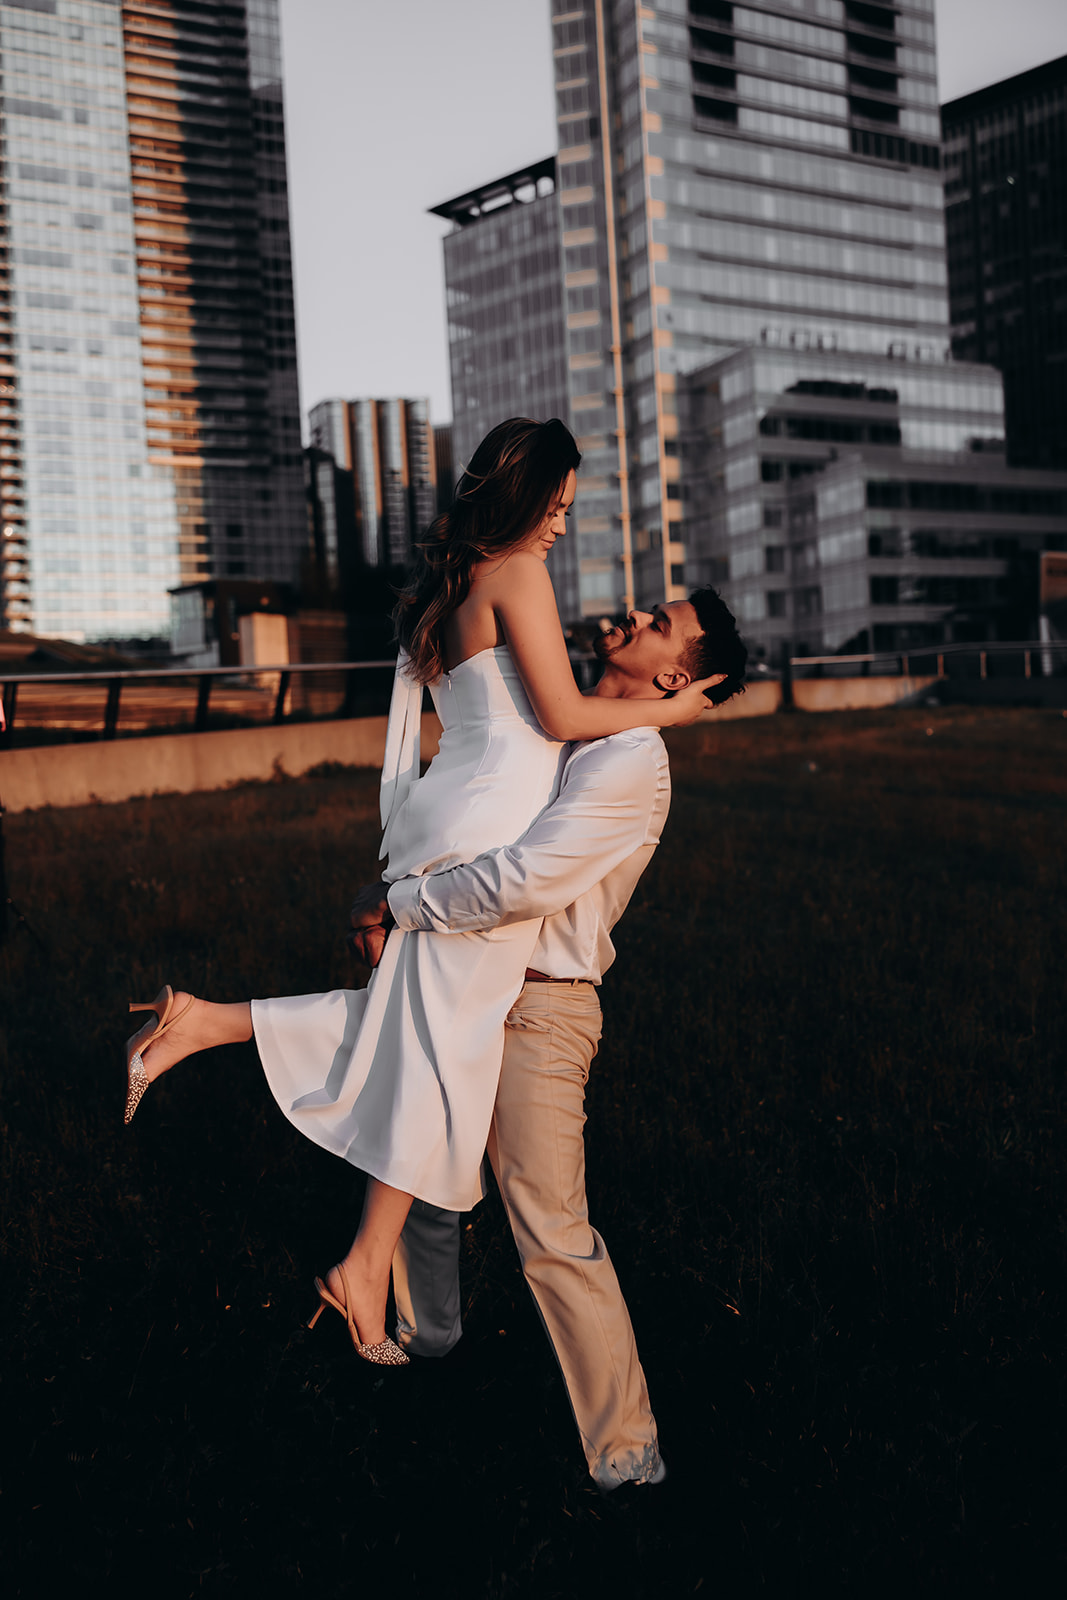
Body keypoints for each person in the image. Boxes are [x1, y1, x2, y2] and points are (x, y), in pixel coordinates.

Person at [123, 418, 718, 1368]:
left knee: (414, 1036)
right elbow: (560, 716)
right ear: (524, 493)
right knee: (439, 1057)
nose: (562, 524)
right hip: (480, 839)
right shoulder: (517, 573)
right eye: (558, 503)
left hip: (444, 820)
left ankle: (203, 1024)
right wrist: (675, 709)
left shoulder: (449, 588)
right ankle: (364, 1267)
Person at [343, 586, 747, 1489]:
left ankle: (628, 1456)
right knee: (424, 1168)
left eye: (660, 625)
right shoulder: (564, 716)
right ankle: (428, 1334)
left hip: (538, 1005)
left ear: (677, 675)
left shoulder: (631, 759)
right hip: (458, 970)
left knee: (551, 1231)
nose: (636, 617)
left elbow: (526, 878)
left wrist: (402, 908)